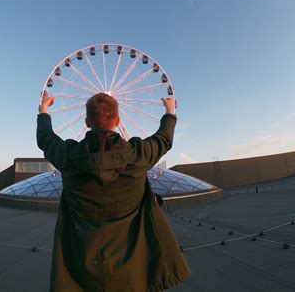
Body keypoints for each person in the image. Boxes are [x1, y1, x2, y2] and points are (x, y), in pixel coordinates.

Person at [37, 92, 191, 291]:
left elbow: (46, 139)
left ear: (86, 121)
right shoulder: (137, 156)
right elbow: (163, 139)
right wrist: (170, 111)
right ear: (118, 120)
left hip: (80, 264)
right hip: (132, 268)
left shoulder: (69, 156)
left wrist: (44, 111)